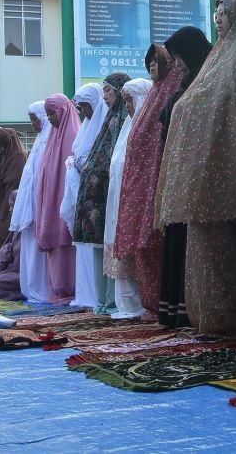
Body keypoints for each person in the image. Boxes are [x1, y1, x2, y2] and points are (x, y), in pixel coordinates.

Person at [156, 0, 236, 338]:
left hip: (235, 172)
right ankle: (211, 319)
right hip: (207, 179)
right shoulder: (217, 59)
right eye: (217, 13)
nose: (218, 19)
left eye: (224, 13)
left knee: (233, 253)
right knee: (207, 251)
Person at [115, 46, 183, 316]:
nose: (152, 66)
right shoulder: (155, 93)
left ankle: (160, 302)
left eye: (157, 61)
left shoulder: (169, 92)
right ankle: (151, 301)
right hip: (140, 187)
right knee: (143, 246)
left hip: (156, 182)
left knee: (154, 242)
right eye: (150, 62)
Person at [155, 26, 212, 327]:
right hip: (178, 176)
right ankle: (175, 310)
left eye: (179, 56)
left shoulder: (206, 82)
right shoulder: (187, 84)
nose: (176, 63)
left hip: (195, 178)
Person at [73, 72, 131, 314]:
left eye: (108, 90)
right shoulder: (109, 120)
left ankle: (113, 301)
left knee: (112, 250)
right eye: (104, 91)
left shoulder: (122, 121)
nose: (105, 96)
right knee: (101, 252)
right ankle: (104, 300)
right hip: (100, 200)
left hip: (111, 199)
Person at [106, 77, 153, 318]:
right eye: (125, 101)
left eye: (130, 101)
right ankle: (125, 304)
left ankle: (138, 304)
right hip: (122, 201)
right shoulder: (128, 129)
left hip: (139, 200)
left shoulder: (149, 128)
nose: (128, 107)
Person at [62, 83, 108, 309]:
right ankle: (86, 295)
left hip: (96, 197)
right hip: (83, 194)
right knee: (84, 249)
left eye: (86, 106)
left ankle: (96, 297)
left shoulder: (103, 126)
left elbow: (96, 159)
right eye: (80, 107)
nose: (84, 112)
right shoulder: (87, 127)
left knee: (94, 250)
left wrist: (78, 164)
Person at [36, 94, 82, 305]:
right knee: (55, 248)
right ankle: (58, 288)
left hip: (66, 202)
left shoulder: (74, 135)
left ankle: (72, 287)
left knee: (67, 245)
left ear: (63, 112)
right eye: (47, 115)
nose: (50, 118)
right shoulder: (52, 137)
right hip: (51, 203)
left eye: (52, 113)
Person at [12, 102, 52, 302]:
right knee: (30, 249)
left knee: (40, 251)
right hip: (32, 204)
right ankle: (31, 289)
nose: (33, 125)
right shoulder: (39, 140)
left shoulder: (51, 138)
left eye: (35, 120)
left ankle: (42, 290)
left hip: (41, 204)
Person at [0, 127, 27, 263]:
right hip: (1, 203)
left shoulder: (19, 157)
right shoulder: (3, 156)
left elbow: (13, 183)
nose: (0, 150)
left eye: (1, 146)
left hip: (12, 205)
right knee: (0, 234)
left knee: (8, 235)